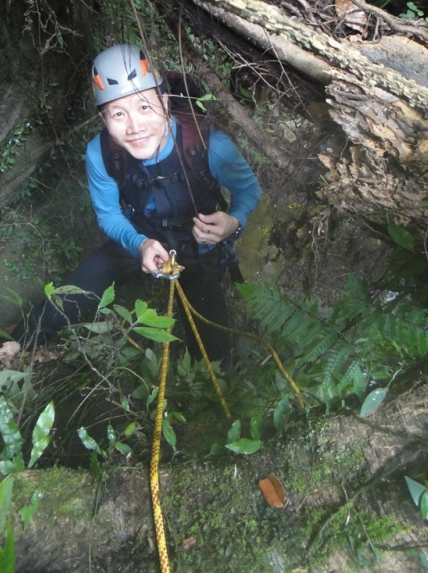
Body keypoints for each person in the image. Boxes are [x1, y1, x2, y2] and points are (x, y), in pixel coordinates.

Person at [15, 44, 261, 364]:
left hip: (198, 243)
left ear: (165, 100)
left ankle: (217, 383)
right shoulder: (101, 153)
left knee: (213, 351)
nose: (134, 127)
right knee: (64, 302)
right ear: (103, 118)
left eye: (144, 106)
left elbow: (248, 190)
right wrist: (140, 243)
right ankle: (9, 350)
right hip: (139, 233)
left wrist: (233, 222)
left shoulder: (208, 144)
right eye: (118, 113)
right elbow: (109, 215)